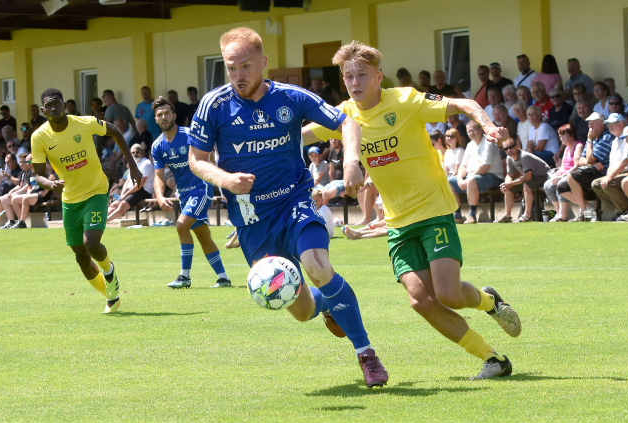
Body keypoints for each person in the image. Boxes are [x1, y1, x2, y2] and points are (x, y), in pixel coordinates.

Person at [304, 40, 521, 380]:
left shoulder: (405, 100)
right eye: (349, 77)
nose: (355, 82)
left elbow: (464, 103)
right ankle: (493, 358)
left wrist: (489, 125)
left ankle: (488, 301)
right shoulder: (344, 114)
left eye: (362, 75)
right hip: (397, 223)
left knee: (448, 293)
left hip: (432, 209)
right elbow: (300, 135)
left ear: (378, 77)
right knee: (421, 300)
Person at [187, 28, 388, 387]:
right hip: (252, 219)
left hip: (294, 201)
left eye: (246, 66)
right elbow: (196, 160)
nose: (238, 76)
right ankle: (327, 305)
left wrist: (352, 161)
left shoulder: (290, 97)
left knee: (317, 266)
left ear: (263, 63)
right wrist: (225, 179)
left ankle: (366, 354)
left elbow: (348, 122)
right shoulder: (214, 105)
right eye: (231, 68)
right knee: (300, 310)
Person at [30, 87, 140, 314]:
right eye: (48, 105)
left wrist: (132, 165)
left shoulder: (85, 122)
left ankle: (109, 271)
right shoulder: (39, 137)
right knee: (81, 257)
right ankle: (112, 297)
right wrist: (50, 184)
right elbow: (38, 174)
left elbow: (115, 131)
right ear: (43, 110)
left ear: (63, 105)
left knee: (91, 243)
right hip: (70, 199)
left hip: (96, 191)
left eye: (56, 103)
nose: (53, 108)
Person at [148, 97, 231, 289]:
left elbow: (208, 159)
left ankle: (184, 276)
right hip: (184, 194)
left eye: (167, 113)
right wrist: (160, 196)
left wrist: (221, 183)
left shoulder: (188, 135)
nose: (164, 117)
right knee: (203, 235)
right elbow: (159, 176)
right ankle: (223, 278)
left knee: (181, 225)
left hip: (201, 188)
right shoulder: (157, 146)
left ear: (174, 115)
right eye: (159, 115)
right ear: (155, 120)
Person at [559, 112, 613, 221]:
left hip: (603, 173)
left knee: (571, 176)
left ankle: (583, 212)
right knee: (561, 187)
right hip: (592, 171)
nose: (590, 127)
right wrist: (592, 163)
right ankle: (588, 208)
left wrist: (589, 141)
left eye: (593, 123)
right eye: (589, 124)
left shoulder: (606, 137)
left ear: (602, 124)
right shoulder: (594, 138)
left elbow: (588, 158)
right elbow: (581, 161)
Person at [447, 122, 504, 224]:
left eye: (474, 130)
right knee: (448, 181)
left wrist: (468, 178)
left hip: (493, 176)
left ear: (481, 129)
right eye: (469, 131)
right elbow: (463, 166)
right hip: (473, 177)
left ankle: (472, 215)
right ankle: (457, 215)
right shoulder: (470, 145)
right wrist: (460, 179)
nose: (471, 133)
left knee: (471, 180)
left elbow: (484, 167)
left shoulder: (489, 143)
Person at [590, 119, 628, 220]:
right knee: (596, 184)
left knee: (609, 183)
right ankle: (620, 208)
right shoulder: (614, 141)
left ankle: (626, 209)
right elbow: (611, 164)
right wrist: (608, 176)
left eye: (612, 124)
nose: (610, 127)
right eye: (608, 125)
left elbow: (625, 162)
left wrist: (610, 177)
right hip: (617, 173)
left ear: (621, 124)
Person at [496, 138, 549, 222]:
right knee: (509, 188)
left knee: (526, 184)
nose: (509, 150)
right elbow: (510, 175)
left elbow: (528, 177)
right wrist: (507, 184)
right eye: (506, 148)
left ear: (516, 146)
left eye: (511, 147)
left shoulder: (524, 156)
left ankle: (527, 215)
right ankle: (507, 215)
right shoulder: (509, 158)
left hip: (545, 177)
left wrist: (511, 183)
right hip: (532, 178)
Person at [105, 144, 154, 221]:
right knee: (114, 204)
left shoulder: (146, 163)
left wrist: (124, 195)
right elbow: (127, 182)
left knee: (122, 205)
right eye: (133, 153)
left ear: (142, 152)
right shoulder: (133, 164)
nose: (135, 154)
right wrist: (122, 195)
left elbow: (139, 185)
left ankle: (104, 222)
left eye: (137, 152)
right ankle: (99, 221)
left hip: (144, 191)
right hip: (133, 190)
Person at [544, 124, 583, 221]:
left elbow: (576, 166)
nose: (561, 138)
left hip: (573, 175)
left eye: (563, 135)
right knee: (547, 185)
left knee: (560, 184)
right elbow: (562, 167)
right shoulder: (566, 148)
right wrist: (557, 174)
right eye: (560, 136)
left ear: (571, 135)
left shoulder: (578, 145)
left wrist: (561, 176)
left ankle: (563, 214)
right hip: (564, 173)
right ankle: (558, 212)